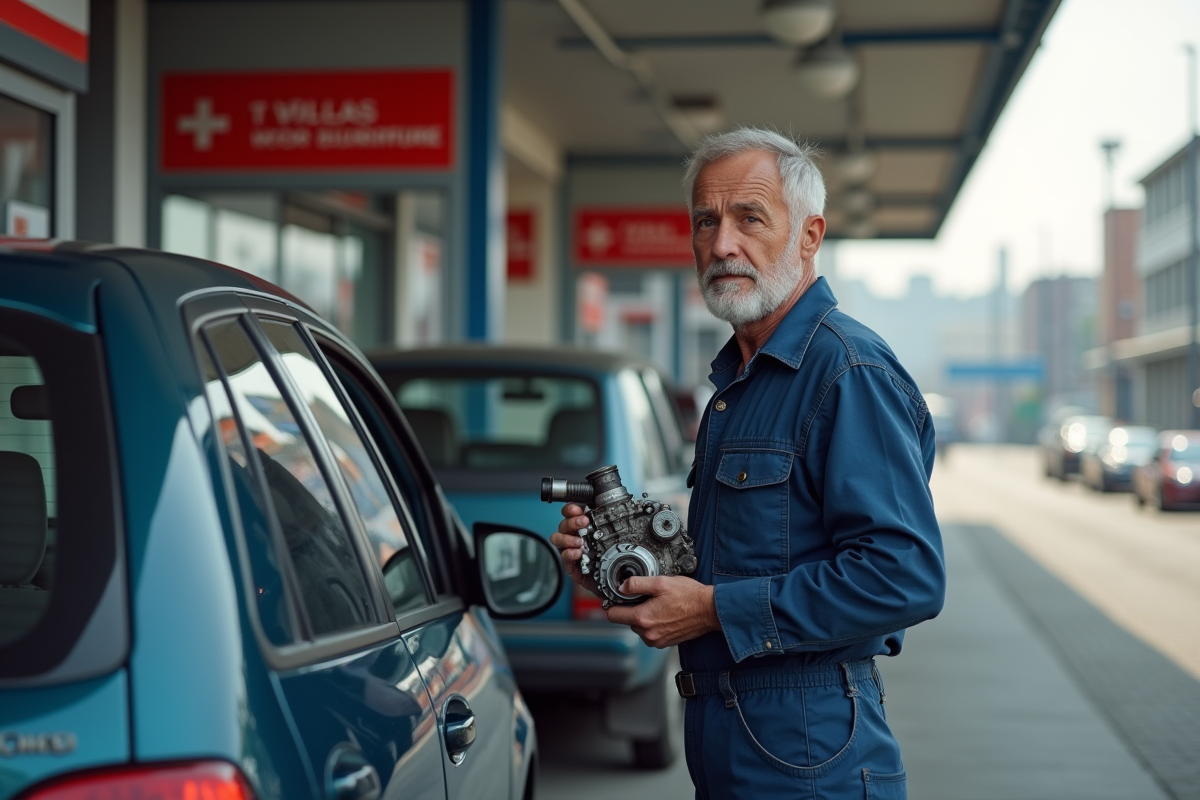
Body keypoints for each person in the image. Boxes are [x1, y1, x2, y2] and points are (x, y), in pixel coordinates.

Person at [550, 128, 946, 799]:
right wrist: (625, 572)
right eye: (706, 220)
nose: (723, 244)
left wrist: (712, 612)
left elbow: (903, 576)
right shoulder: (740, 383)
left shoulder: (847, 371)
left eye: (750, 218)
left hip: (810, 749)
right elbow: (753, 555)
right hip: (733, 739)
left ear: (810, 235)